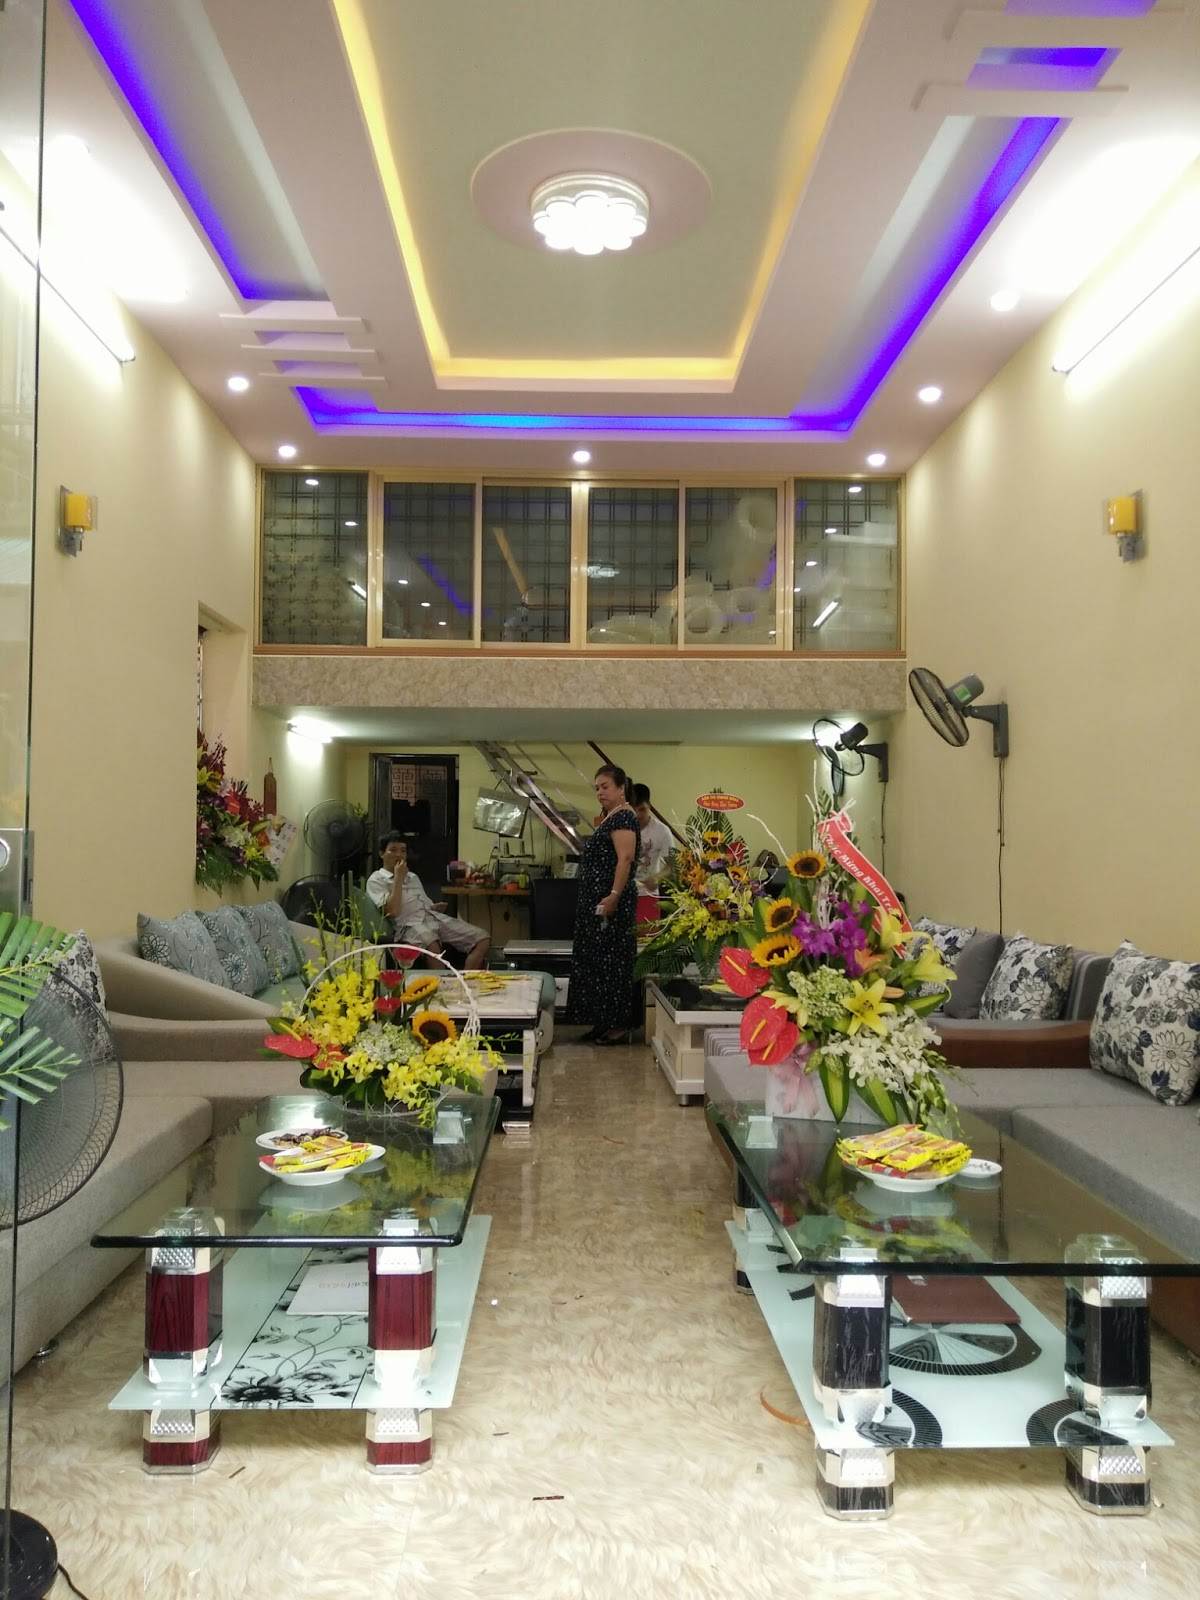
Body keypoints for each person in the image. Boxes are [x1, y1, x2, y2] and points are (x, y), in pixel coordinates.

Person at [567, 764, 640, 1044]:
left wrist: (614, 895)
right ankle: (602, 1020)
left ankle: (618, 1024)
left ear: (621, 788)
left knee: (613, 962)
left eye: (605, 786)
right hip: (595, 901)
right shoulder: (611, 816)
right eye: (597, 788)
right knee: (596, 962)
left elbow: (625, 859)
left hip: (612, 902)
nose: (600, 792)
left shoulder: (624, 817)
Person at [365, 832, 490, 969]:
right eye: (393, 850)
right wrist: (398, 878)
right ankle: (441, 982)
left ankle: (465, 979)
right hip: (408, 926)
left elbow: (425, 904)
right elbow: (392, 911)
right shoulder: (376, 880)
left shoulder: (412, 877)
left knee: (482, 938)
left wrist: (435, 907)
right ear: (382, 853)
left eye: (403, 851)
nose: (399, 855)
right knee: (431, 944)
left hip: (432, 917)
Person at [632, 782, 674, 924]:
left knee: (646, 935)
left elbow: (671, 866)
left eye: (642, 809)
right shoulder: (621, 828)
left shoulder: (662, 831)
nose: (638, 815)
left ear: (649, 806)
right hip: (622, 894)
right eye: (634, 810)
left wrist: (657, 877)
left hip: (648, 895)